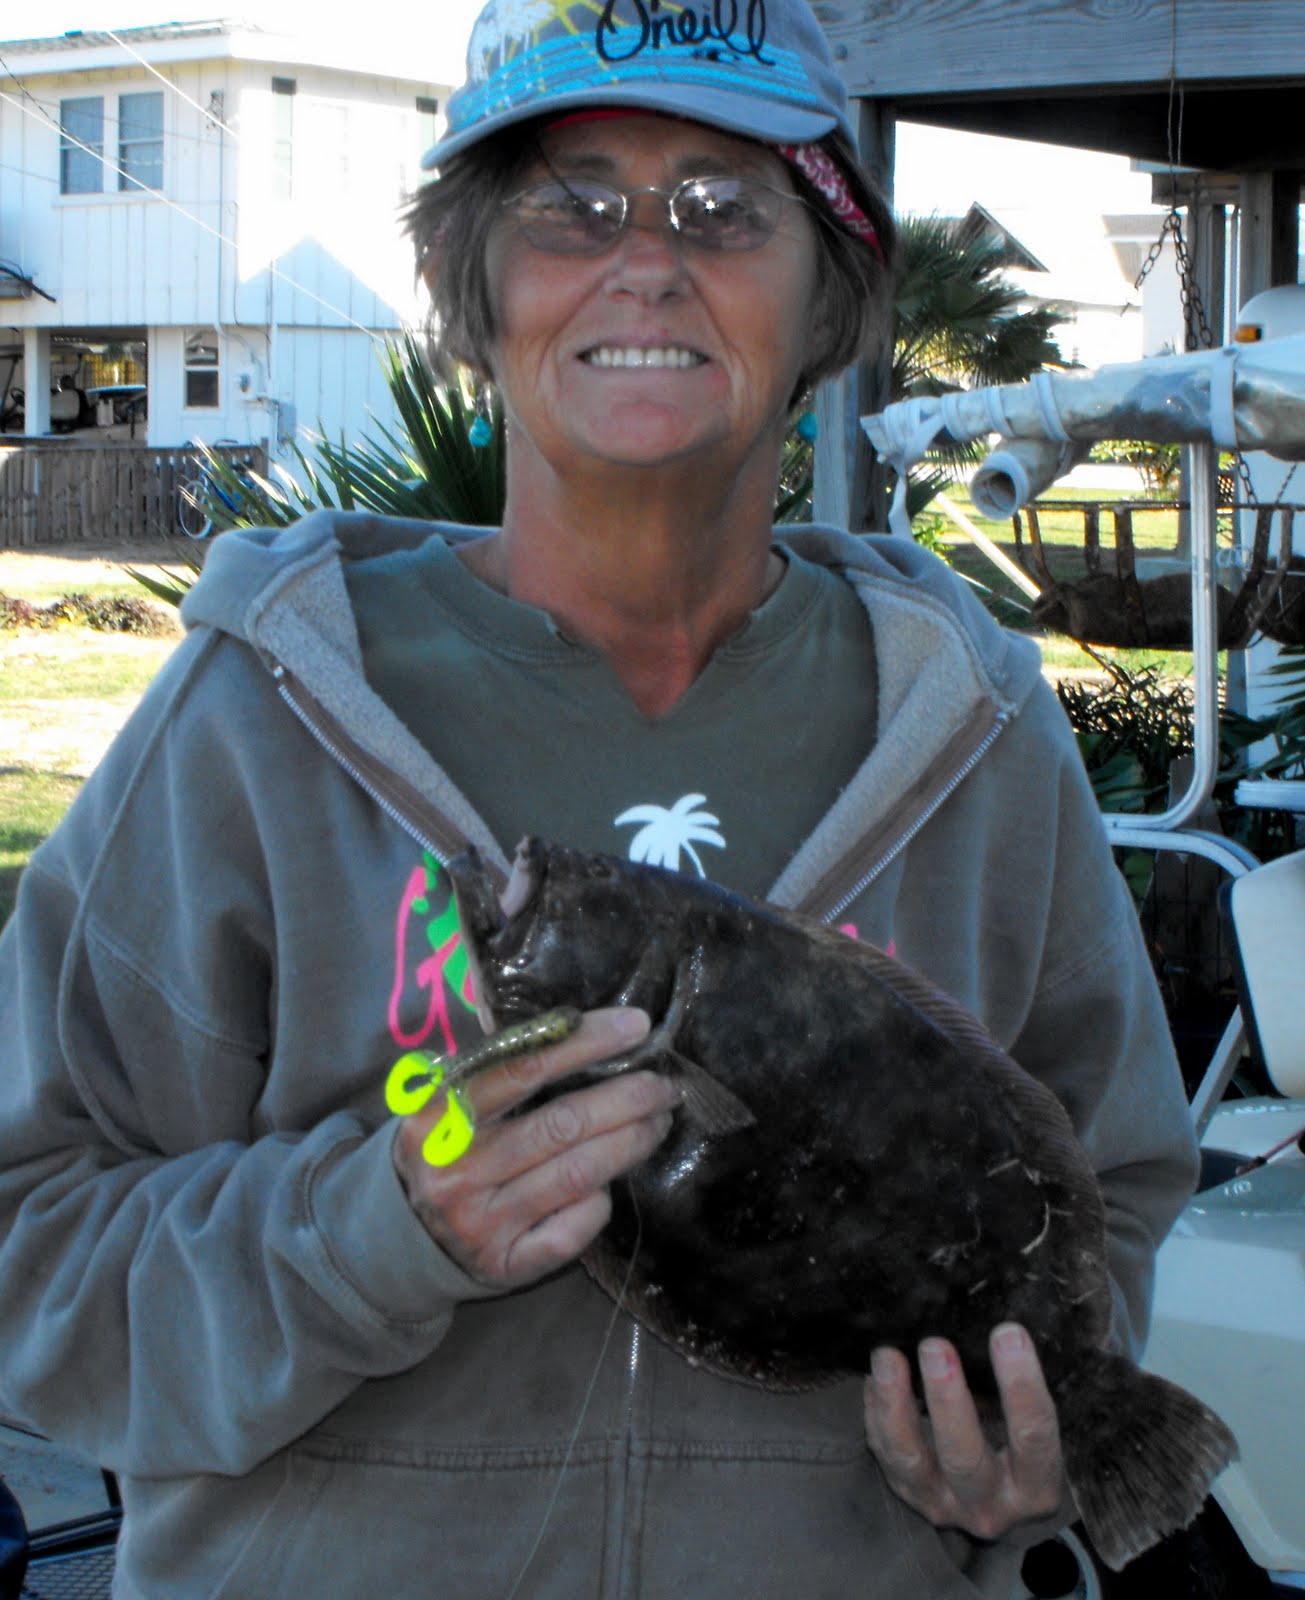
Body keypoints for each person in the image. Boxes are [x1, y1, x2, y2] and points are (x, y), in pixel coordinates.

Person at [0, 1, 1198, 1595]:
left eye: (722, 206)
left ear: (828, 287)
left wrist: (1027, 1453)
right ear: (473, 291)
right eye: (568, 204)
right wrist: (373, 1228)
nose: (645, 260)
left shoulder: (969, 726)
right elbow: (33, 1251)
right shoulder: (250, 713)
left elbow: (1101, 1195)